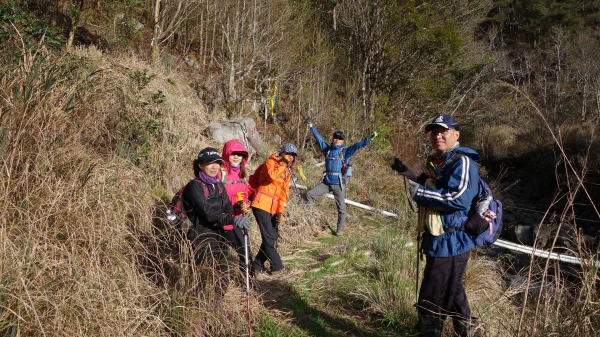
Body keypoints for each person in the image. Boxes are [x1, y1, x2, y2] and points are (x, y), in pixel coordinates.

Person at [392, 113, 481, 337]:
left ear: (456, 134)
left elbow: (457, 198)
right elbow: (437, 186)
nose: (437, 135)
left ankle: (430, 331)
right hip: (441, 239)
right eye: (434, 132)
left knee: (431, 298)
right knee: (453, 289)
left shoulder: (463, 162)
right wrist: (411, 175)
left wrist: (419, 194)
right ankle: (469, 329)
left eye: (443, 131)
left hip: (452, 241)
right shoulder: (444, 161)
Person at [182, 147, 251, 295]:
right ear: (200, 165)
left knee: (222, 274)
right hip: (201, 236)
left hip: (220, 234)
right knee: (203, 277)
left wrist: (233, 214)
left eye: (217, 163)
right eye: (209, 163)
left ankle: (216, 307)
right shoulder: (194, 186)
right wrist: (232, 220)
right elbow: (208, 213)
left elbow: (227, 207)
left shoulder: (219, 185)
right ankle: (198, 313)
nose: (214, 167)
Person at [305, 118, 377, 236]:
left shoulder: (345, 151)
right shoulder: (327, 150)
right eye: (335, 138)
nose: (337, 140)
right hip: (326, 183)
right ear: (333, 139)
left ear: (342, 141)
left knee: (341, 208)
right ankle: (307, 219)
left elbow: (357, 145)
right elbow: (319, 139)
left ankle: (340, 230)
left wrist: (368, 140)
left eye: (339, 138)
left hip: (339, 184)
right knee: (309, 194)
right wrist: (311, 126)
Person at [250, 143, 297, 275]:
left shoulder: (287, 172)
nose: (291, 158)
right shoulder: (270, 162)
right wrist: (282, 163)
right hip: (261, 203)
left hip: (274, 208)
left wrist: (280, 212)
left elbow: (284, 194)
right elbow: (271, 176)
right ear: (282, 153)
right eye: (288, 154)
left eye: (293, 156)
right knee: (269, 236)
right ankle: (277, 266)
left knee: (272, 237)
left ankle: (256, 266)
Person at [218, 140, 255, 280]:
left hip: (235, 221)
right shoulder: (221, 172)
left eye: (240, 154)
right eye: (233, 153)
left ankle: (248, 281)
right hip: (219, 221)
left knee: (245, 252)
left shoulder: (242, 174)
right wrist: (233, 200)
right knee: (221, 257)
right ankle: (219, 288)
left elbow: (245, 195)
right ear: (227, 153)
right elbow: (215, 195)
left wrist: (243, 204)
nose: (236, 157)